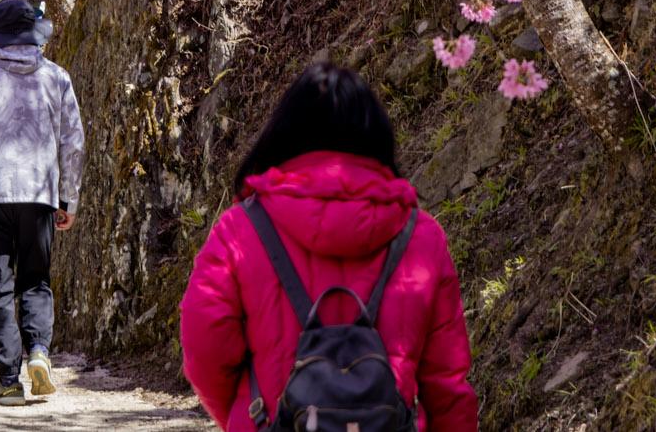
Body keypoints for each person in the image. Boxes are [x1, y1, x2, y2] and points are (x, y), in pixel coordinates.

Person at [178, 62, 477, 432]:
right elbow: (447, 383)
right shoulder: (420, 236)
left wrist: (249, 413)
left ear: (283, 135)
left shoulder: (241, 229)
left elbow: (204, 349)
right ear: (378, 137)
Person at [0, 0, 85, 406]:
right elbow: (73, 143)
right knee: (36, 280)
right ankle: (39, 352)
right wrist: (69, 199)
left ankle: (8, 379)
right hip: (40, 193)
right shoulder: (57, 78)